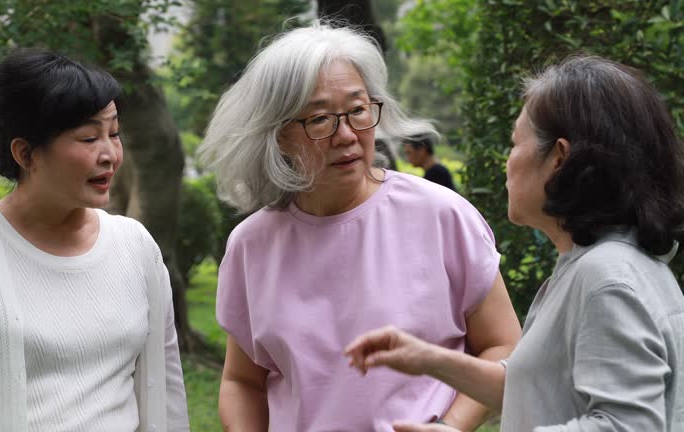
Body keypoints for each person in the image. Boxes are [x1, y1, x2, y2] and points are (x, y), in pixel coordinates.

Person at [198, 22, 521, 431]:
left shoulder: (441, 215)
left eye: (358, 110)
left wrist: (450, 426)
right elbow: (243, 381)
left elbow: (502, 345)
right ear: (279, 135)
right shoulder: (252, 244)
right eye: (319, 119)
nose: (347, 135)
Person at [346, 55, 684, 431]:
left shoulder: (607, 279)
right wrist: (428, 359)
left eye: (514, 143)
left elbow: (626, 426)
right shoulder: (601, 264)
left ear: (559, 159)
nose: (508, 161)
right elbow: (533, 389)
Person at [0, 50, 190, 431]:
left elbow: (167, 387)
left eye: (114, 133)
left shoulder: (135, 247)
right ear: (25, 153)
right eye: (89, 137)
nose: (110, 154)